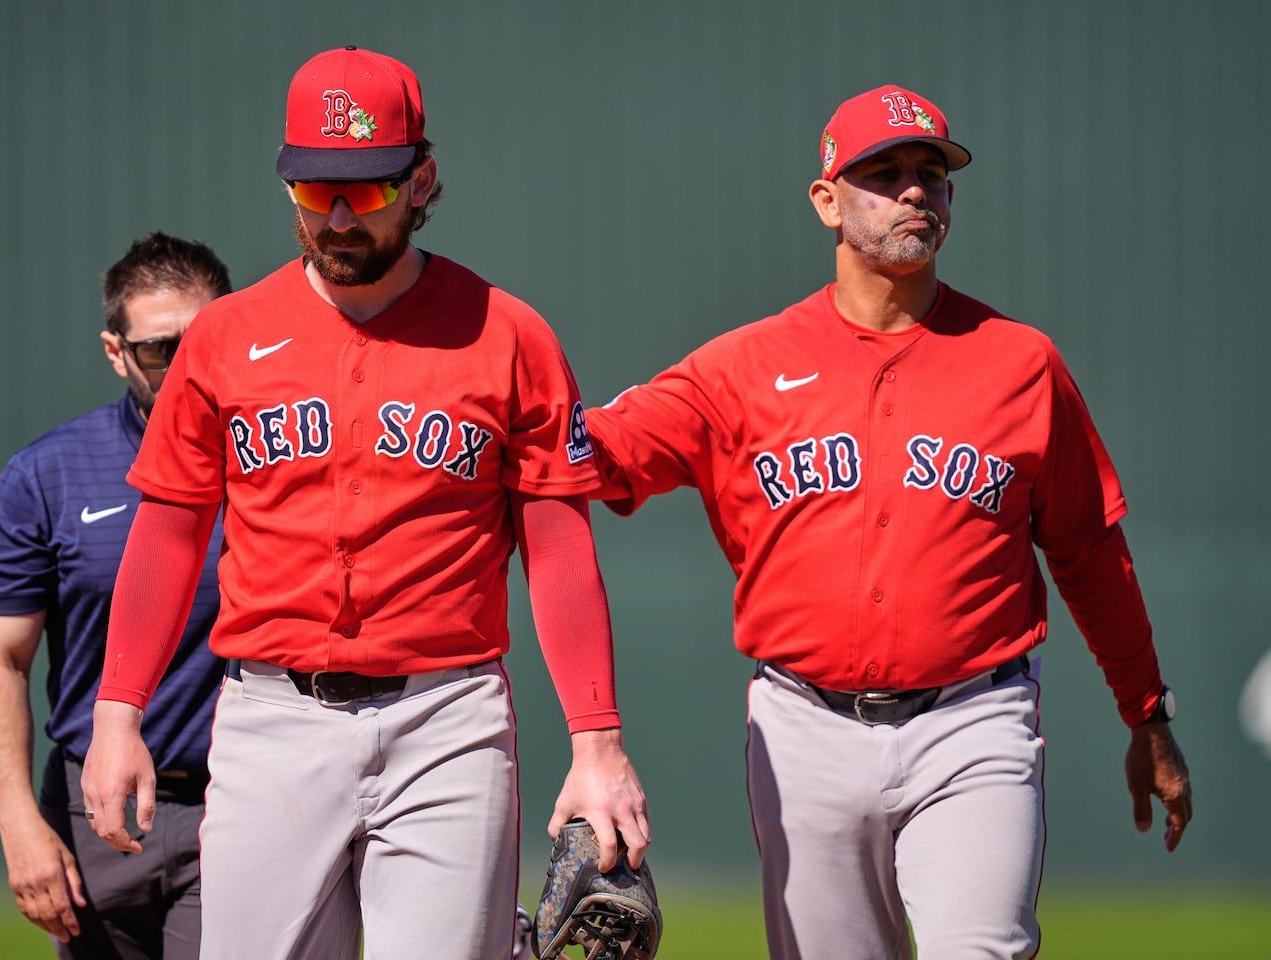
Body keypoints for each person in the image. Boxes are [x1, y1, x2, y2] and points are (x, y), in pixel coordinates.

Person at [585, 85, 1193, 959]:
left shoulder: (1020, 363)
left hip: (973, 722)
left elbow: (1092, 552)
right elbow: (588, 455)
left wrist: (1148, 715)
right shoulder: (742, 369)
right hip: (804, 730)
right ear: (827, 201)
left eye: (931, 174)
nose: (915, 191)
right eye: (884, 174)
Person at [79, 45, 649, 960]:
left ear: (423, 180)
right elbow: (169, 533)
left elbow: (558, 548)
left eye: (368, 189)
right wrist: (118, 716)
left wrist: (596, 743)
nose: (339, 215)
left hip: (448, 719)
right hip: (272, 716)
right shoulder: (227, 336)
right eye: (315, 190)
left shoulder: (508, 334)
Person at [0, 232, 232, 958]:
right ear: (116, 351)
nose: (180, 366)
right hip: (96, 808)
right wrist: (18, 821)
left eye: (199, 339)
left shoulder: (275, 463)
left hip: (240, 802)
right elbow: (2, 658)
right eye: (156, 349)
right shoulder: (47, 476)